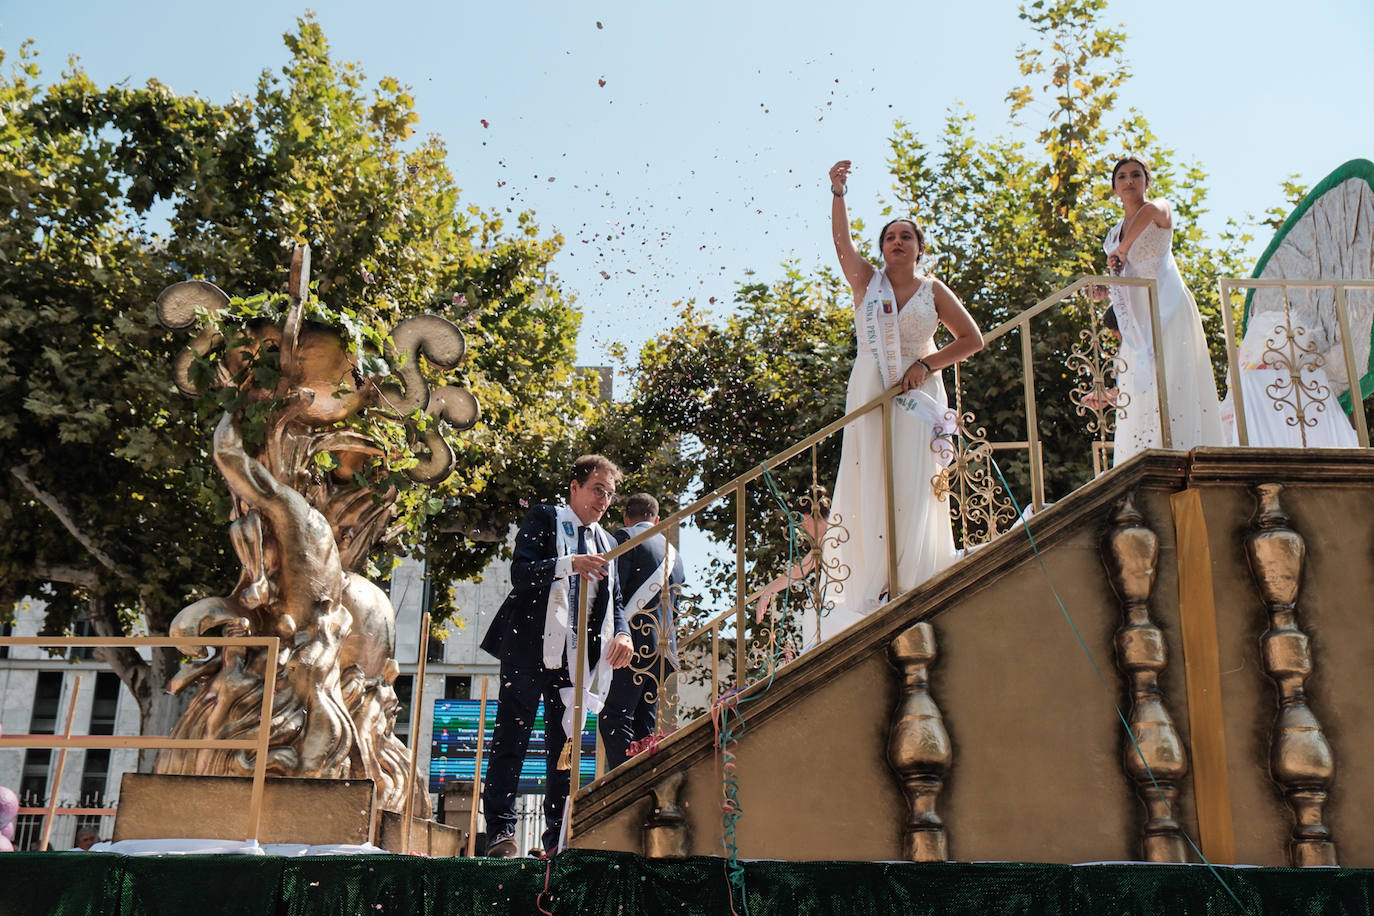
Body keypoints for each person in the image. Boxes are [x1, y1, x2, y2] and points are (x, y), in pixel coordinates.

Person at [818, 160, 984, 642]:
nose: (897, 242)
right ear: (883, 248)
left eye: (906, 237)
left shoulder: (934, 289)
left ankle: (913, 576)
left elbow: (971, 339)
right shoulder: (867, 282)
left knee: (914, 479)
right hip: (872, 385)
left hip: (917, 391)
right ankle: (875, 581)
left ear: (918, 248)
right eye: (890, 236)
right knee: (869, 474)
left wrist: (927, 365)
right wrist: (838, 193)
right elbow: (842, 246)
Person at [478, 455, 634, 857]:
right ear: (575, 487)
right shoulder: (546, 517)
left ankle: (557, 839)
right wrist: (570, 564)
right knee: (511, 739)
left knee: (565, 751)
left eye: (611, 494)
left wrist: (623, 633)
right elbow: (522, 574)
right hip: (528, 651)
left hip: (575, 660)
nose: (604, 501)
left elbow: (614, 599)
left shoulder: (609, 542)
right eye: (598, 489)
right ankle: (500, 832)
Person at [1101, 155, 1224, 464]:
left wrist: (1125, 249)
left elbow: (1151, 212)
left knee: (1173, 375)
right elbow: (1124, 276)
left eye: (1136, 175)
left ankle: (1180, 451)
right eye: (1122, 177)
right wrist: (1105, 287)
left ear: (1146, 181)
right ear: (1115, 188)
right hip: (1137, 320)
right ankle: (1144, 453)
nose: (1129, 180)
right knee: (1141, 385)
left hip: (1168, 305)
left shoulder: (1160, 209)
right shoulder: (1113, 234)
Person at [599, 494, 685, 769]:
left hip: (632, 645)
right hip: (664, 650)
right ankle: (645, 781)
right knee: (644, 724)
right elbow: (677, 605)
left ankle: (627, 785)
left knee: (615, 718)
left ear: (626, 518)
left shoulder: (624, 540)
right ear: (657, 520)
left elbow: (614, 593)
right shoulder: (675, 554)